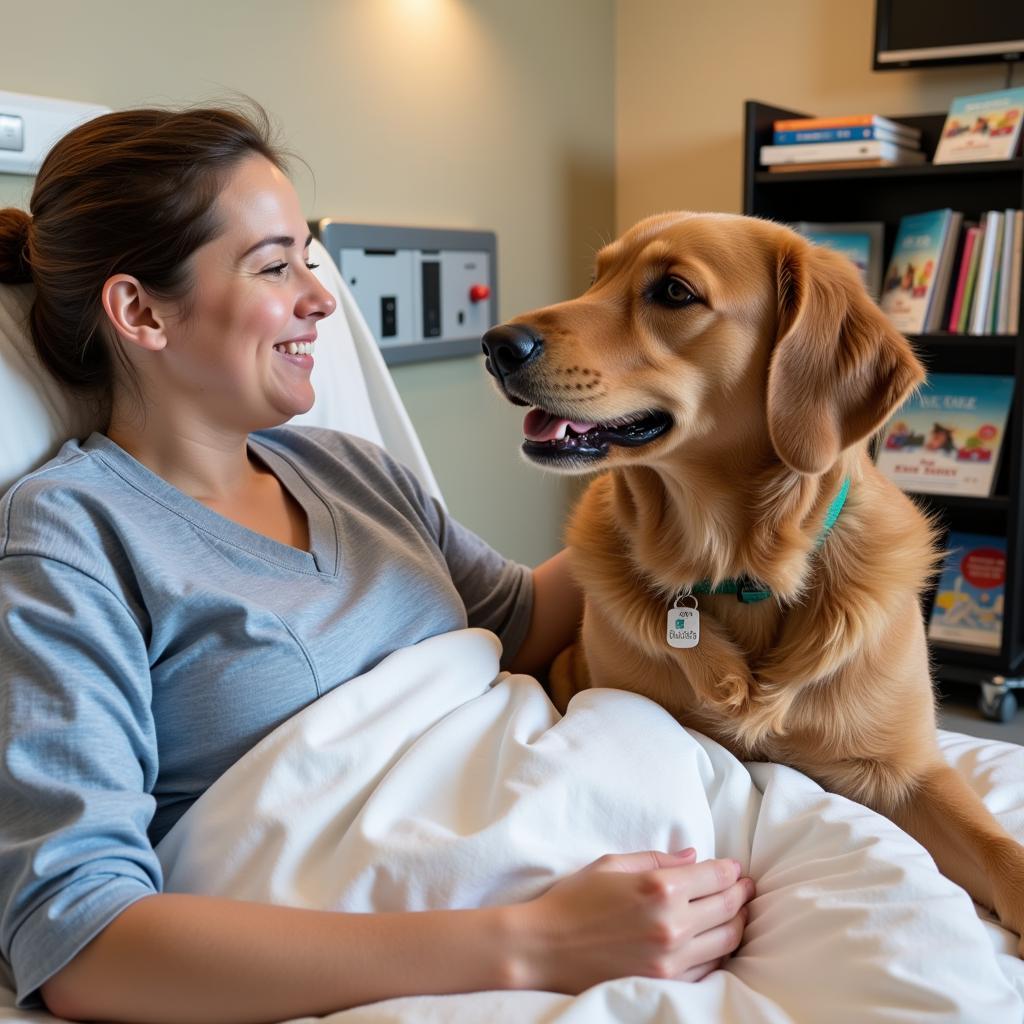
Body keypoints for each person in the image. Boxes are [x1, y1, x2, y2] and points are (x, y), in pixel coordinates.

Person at [0, 105, 754, 1023]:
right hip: (495, 937)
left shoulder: (345, 468)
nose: (321, 299)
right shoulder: (73, 536)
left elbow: (522, 620)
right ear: (140, 311)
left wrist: (699, 486)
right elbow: (79, 935)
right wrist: (536, 943)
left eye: (308, 263)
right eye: (277, 267)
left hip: (633, 840)